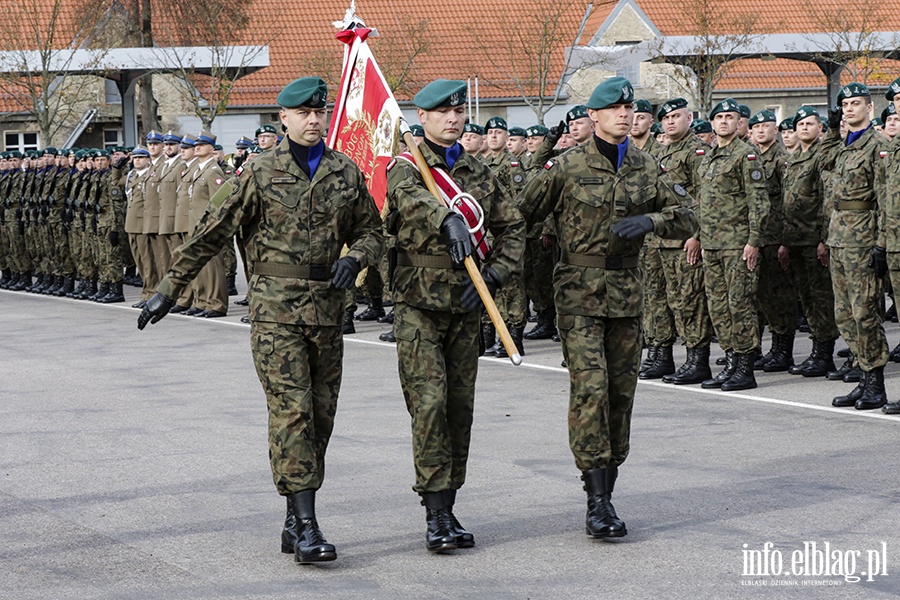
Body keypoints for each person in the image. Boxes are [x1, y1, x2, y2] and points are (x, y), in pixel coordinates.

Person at [138, 77, 384, 563]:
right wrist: (167, 289)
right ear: (284, 119)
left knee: (321, 417)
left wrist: (355, 259)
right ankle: (309, 525)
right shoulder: (258, 172)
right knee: (292, 413)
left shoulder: (344, 171)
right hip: (275, 313)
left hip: (328, 313)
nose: (314, 120)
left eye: (321, 112)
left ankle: (294, 518)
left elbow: (374, 232)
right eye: (304, 113)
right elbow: (211, 232)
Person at [519, 77, 697, 540]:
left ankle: (608, 484)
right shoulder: (567, 166)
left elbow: (690, 212)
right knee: (591, 389)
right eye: (613, 108)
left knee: (621, 393)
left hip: (626, 291)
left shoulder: (645, 165)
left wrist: (651, 219)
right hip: (578, 292)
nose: (624, 113)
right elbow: (519, 216)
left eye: (629, 107)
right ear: (592, 117)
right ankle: (597, 500)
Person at [384, 79, 525, 553]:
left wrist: (496, 277)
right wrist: (447, 218)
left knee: (459, 410)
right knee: (429, 405)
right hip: (419, 305)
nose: (452, 119)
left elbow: (512, 227)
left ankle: (450, 499)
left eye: (458, 112)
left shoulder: (480, 172)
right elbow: (410, 201)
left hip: (466, 305)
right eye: (441, 112)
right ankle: (435, 512)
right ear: (421, 118)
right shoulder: (406, 167)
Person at [697, 98, 769, 392]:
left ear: (739, 123)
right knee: (718, 306)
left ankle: (744, 366)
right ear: (712, 123)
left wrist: (753, 241)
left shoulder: (746, 155)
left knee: (740, 304)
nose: (724, 121)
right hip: (712, 244)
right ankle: (730, 360)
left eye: (730, 117)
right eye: (719, 117)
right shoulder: (709, 156)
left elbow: (759, 202)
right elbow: (702, 203)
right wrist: (702, 238)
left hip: (737, 244)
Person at [780, 106, 841, 378]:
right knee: (806, 298)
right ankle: (817, 350)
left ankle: (824, 353)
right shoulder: (792, 160)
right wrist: (784, 241)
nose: (803, 128)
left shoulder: (820, 156)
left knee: (821, 298)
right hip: (794, 239)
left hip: (813, 238)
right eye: (800, 124)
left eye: (809, 124)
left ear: (820, 129)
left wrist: (823, 239)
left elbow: (826, 199)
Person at [749, 109, 797, 372]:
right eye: (756, 127)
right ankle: (774, 348)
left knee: (781, 296)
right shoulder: (754, 157)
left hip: (777, 235)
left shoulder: (781, 159)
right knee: (764, 296)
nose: (760, 130)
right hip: (761, 236)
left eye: (765, 126)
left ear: (775, 130)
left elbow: (789, 201)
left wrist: (785, 241)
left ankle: (783, 349)